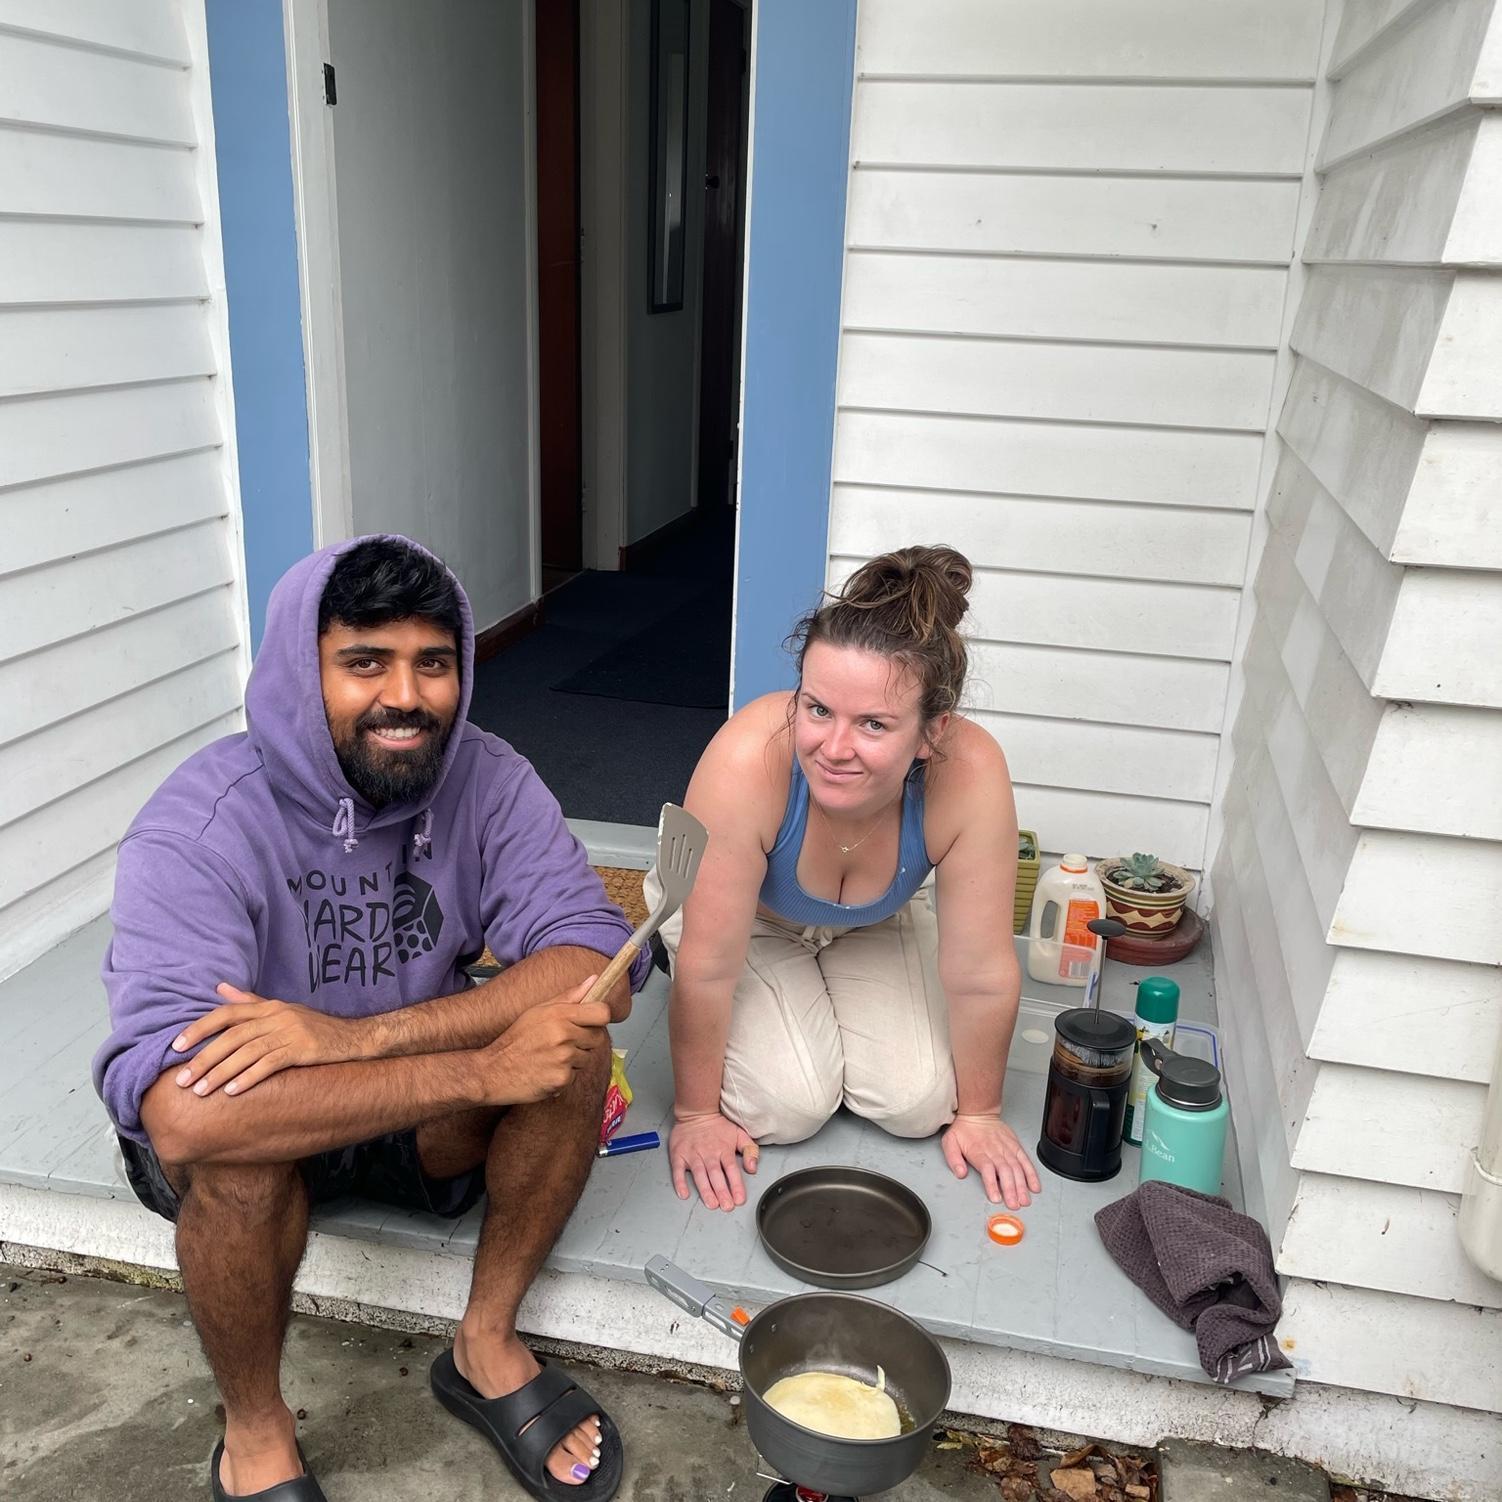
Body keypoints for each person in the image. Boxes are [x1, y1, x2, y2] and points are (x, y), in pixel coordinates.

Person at [92, 536, 644, 1502]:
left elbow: (597, 967)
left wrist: (360, 1037)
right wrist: (473, 1068)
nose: (407, 696)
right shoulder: (199, 825)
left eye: (433, 663)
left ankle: (485, 1340)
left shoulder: (487, 778)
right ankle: (256, 1433)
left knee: (573, 1040)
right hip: (265, 1136)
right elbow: (180, 1113)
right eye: (364, 663)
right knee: (235, 1155)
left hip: (403, 1113)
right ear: (301, 676)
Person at [653, 545, 1042, 1215]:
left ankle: (830, 980)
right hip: (738, 914)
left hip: (867, 917)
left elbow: (980, 970)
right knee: (789, 1104)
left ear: (931, 732)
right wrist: (693, 1114)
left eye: (873, 724)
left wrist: (981, 1112)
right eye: (818, 709)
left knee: (921, 1101)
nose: (833, 748)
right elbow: (712, 967)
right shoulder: (749, 759)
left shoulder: (969, 773)